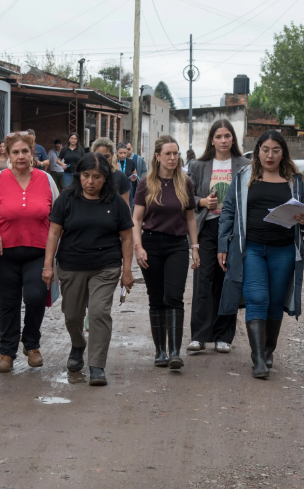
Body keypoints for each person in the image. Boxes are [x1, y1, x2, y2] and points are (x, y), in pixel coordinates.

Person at [216, 130, 304, 378]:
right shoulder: (244, 176)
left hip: (284, 250)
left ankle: (269, 350)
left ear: (283, 153)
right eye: (266, 150)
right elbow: (228, 212)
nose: (270, 155)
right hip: (252, 249)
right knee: (257, 296)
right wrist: (223, 246)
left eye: (276, 150)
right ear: (257, 151)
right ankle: (257, 357)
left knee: (275, 301)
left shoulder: (295, 181)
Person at [43, 153, 134, 386]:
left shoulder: (115, 203)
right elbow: (53, 233)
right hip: (71, 265)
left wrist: (126, 271)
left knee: (98, 313)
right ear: (78, 176)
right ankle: (78, 344)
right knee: (72, 316)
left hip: (106, 266)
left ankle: (96, 365)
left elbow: (126, 238)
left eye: (96, 177)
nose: (90, 182)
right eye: (86, 176)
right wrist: (47, 266)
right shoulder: (66, 199)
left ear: (105, 179)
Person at [0, 131, 59, 373]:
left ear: (32, 153)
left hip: (39, 252)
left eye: (25, 151)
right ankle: (7, 352)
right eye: (15, 152)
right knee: (9, 303)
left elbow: (57, 218)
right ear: (7, 153)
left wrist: (52, 260)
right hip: (3, 254)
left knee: (36, 297)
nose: (20, 156)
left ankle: (32, 344)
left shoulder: (46, 180)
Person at [132, 135, 200, 370]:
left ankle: (174, 352)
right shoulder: (146, 183)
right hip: (151, 244)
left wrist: (195, 248)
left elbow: (191, 217)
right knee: (156, 298)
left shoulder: (185, 182)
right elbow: (137, 219)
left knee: (174, 297)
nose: (173, 158)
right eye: (168, 154)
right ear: (158, 157)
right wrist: (138, 247)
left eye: (176, 153)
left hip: (176, 245)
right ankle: (160, 351)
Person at [187, 120, 251, 355]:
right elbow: (186, 197)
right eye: (218, 136)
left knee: (228, 280)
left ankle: (224, 336)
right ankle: (199, 336)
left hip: (233, 231)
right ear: (211, 140)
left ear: (233, 139)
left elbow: (249, 197)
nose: (223, 140)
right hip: (206, 228)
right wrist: (202, 201)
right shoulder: (198, 165)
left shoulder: (245, 165)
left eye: (227, 136)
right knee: (203, 279)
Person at [91, 137, 132, 207]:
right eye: (99, 156)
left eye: (106, 156)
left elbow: (126, 207)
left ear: (112, 155)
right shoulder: (87, 177)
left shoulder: (121, 177)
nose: (103, 159)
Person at [116, 142, 138, 209]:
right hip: (116, 189)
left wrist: (134, 178)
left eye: (125, 153)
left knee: (127, 207)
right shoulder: (114, 161)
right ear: (117, 152)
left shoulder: (131, 162)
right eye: (120, 153)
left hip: (127, 190)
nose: (123, 155)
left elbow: (135, 175)